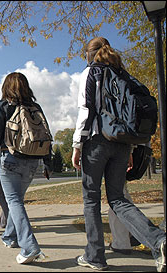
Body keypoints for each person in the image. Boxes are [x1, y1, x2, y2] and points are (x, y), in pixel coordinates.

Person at [72, 36, 166, 272]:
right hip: (122, 143)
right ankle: (159, 240)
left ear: (89, 53)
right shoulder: (122, 75)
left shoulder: (91, 73)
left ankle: (94, 256)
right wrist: (132, 149)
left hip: (96, 142)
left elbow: (86, 109)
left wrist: (76, 144)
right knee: (118, 199)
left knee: (91, 200)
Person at [0, 72, 51, 265]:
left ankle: (29, 246)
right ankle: (9, 237)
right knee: (17, 201)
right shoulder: (35, 107)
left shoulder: (3, 105)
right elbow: (44, 134)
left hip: (9, 158)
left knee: (14, 201)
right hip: (32, 161)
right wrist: (47, 162)